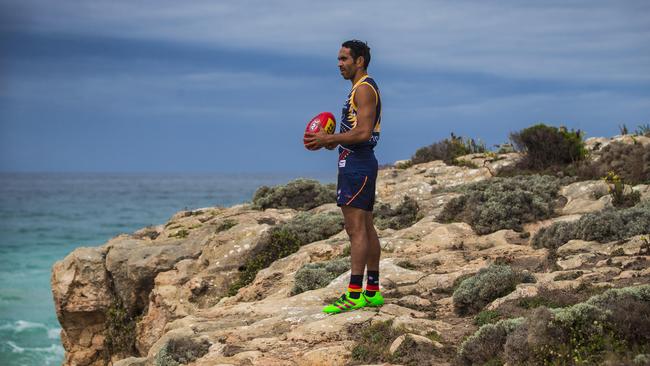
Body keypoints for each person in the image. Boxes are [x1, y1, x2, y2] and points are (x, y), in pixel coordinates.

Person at [304, 40, 384, 313]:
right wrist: (332, 141)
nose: (339, 64)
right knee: (366, 226)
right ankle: (371, 291)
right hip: (358, 162)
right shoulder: (359, 89)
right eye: (338, 59)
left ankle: (354, 294)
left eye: (344, 59)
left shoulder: (363, 90)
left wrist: (331, 138)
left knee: (356, 230)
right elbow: (356, 131)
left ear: (359, 61)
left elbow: (362, 132)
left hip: (357, 164)